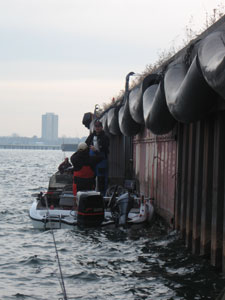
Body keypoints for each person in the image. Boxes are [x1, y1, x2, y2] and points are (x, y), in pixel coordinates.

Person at [85, 120, 110, 195]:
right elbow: (86, 144)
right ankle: (91, 194)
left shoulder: (105, 137)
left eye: (99, 126)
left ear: (102, 127)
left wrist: (97, 149)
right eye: (96, 126)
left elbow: (106, 148)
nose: (97, 128)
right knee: (91, 177)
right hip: (92, 160)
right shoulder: (91, 136)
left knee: (101, 179)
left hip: (101, 161)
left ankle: (102, 195)